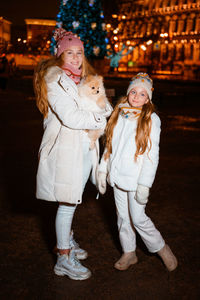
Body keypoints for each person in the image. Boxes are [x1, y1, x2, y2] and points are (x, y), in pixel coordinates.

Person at [34, 28, 112, 281]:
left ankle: (65, 240)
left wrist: (101, 111)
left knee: (70, 201)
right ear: (59, 55)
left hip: (81, 149)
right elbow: (70, 116)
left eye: (79, 52)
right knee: (67, 204)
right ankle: (63, 258)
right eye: (70, 53)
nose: (76, 58)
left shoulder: (79, 79)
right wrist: (99, 117)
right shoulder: (55, 79)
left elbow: (105, 103)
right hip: (65, 151)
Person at [97, 73, 178, 272]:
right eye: (133, 91)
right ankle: (129, 252)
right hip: (117, 176)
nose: (136, 96)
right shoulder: (119, 113)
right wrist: (102, 169)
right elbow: (109, 146)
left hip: (135, 180)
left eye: (142, 94)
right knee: (122, 216)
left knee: (138, 217)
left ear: (148, 98)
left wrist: (144, 184)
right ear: (128, 93)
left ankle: (161, 247)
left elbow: (152, 155)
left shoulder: (151, 119)